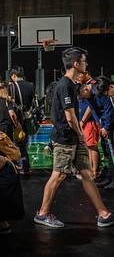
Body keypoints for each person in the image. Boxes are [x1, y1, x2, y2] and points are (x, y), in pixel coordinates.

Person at [34, 46, 114, 228]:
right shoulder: (65, 85)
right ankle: (42, 213)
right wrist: (80, 135)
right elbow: (70, 117)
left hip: (73, 139)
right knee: (59, 175)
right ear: (76, 64)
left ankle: (104, 214)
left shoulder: (72, 85)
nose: (86, 64)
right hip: (64, 138)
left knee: (87, 174)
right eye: (84, 61)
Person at [8, 66, 36, 175]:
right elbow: (33, 100)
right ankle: (26, 166)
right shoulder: (31, 85)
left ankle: (22, 165)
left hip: (18, 118)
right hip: (28, 116)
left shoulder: (12, 87)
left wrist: (15, 122)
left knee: (18, 143)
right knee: (25, 142)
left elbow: (10, 104)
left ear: (14, 76)